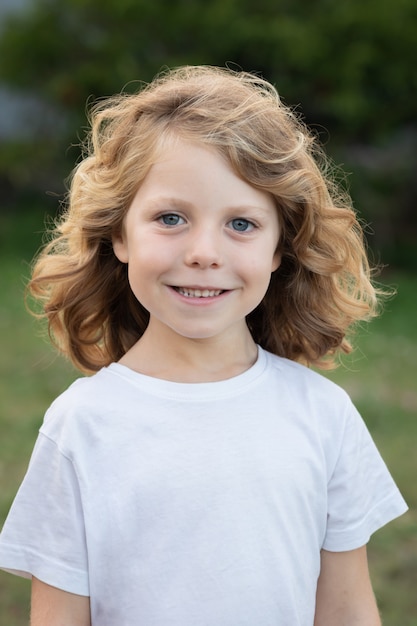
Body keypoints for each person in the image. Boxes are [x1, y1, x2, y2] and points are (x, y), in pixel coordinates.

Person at [0, 65, 407, 626]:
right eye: (171, 218)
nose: (203, 253)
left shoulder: (323, 416)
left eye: (241, 224)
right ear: (119, 233)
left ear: (278, 249)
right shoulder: (81, 425)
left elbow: (347, 612)